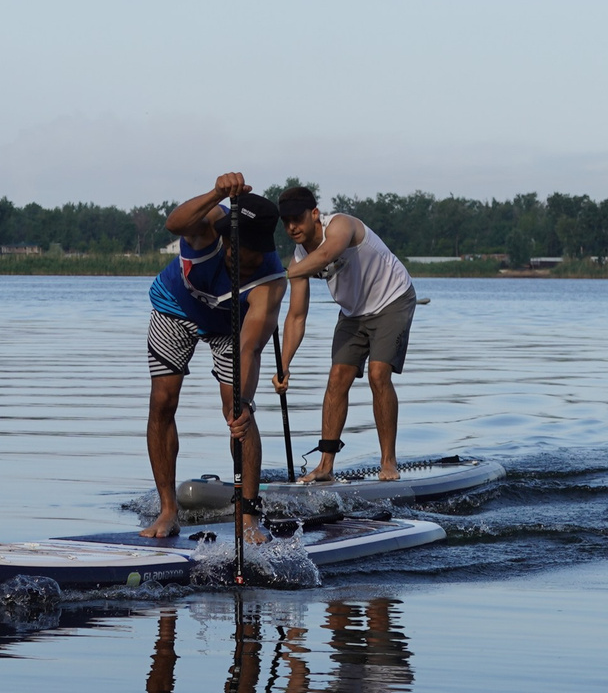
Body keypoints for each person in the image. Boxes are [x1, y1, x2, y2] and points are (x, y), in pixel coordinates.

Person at [141, 173, 286, 540]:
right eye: (243, 261)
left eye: (256, 263)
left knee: (237, 411)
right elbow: (173, 222)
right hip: (175, 307)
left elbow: (249, 347)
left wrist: (245, 402)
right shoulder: (207, 228)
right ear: (227, 242)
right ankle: (168, 511)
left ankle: (249, 517)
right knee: (162, 401)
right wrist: (217, 193)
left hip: (229, 328)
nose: (248, 269)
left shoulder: (271, 281)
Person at [274, 186, 416, 481]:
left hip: (392, 298)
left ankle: (388, 462)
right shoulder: (299, 260)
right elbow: (296, 316)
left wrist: (288, 273)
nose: (292, 228)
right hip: (353, 313)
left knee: (379, 374)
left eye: (297, 219)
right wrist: (284, 365)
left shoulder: (341, 225)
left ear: (314, 214)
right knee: (338, 377)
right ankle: (325, 467)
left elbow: (327, 253)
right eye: (286, 222)